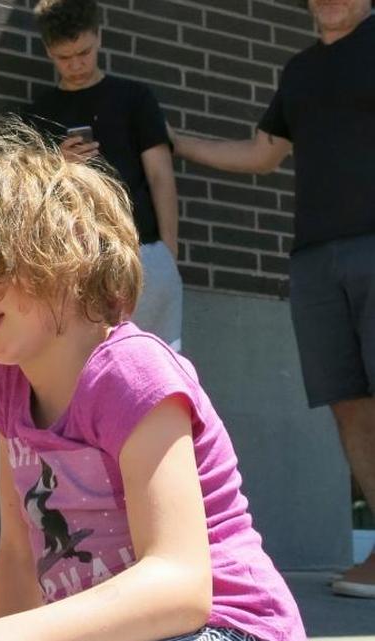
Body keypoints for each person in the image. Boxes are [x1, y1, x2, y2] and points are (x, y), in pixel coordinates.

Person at [0, 118, 305, 641]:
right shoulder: (6, 390)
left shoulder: (131, 371)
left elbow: (180, 585)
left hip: (226, 627)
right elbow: (16, 552)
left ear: (66, 250)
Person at [169, 0, 375, 599]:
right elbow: (263, 153)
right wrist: (175, 143)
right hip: (315, 257)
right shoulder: (300, 71)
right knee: (349, 402)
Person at [25, 0, 183, 350]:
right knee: (84, 373)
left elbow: (160, 175)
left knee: (155, 365)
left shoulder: (134, 98)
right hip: (71, 262)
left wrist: (168, 251)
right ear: (48, 51)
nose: (77, 64)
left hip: (143, 252)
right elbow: (27, 195)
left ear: (99, 36)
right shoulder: (38, 114)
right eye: (64, 58)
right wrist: (55, 162)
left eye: (84, 52)